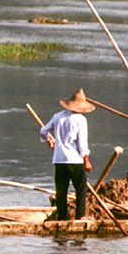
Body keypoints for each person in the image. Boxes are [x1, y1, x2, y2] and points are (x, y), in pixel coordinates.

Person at [39, 89, 93, 220]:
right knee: (81, 188)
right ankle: (81, 215)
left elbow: (43, 130)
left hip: (59, 159)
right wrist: (86, 160)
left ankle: (61, 216)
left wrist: (49, 140)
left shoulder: (58, 116)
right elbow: (82, 144)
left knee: (61, 190)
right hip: (75, 160)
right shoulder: (81, 120)